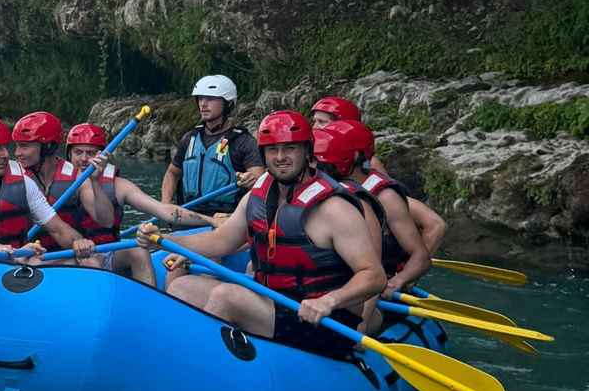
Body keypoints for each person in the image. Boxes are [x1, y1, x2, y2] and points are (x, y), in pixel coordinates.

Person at [138, 111, 386, 357]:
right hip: (274, 301)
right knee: (183, 287)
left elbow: (374, 276)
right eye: (272, 150)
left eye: (290, 148)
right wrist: (165, 241)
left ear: (307, 151)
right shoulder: (258, 195)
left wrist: (329, 301)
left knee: (227, 296)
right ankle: (180, 354)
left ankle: (201, 361)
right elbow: (222, 240)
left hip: (324, 320)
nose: (280, 157)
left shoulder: (334, 208)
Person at [56, 122, 221, 284]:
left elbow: (164, 211)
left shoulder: (119, 186)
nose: (84, 159)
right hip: (69, 256)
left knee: (138, 250)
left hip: (107, 252)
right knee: (90, 262)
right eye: (78, 152)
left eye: (91, 153)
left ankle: (149, 297)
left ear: (102, 156)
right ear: (69, 155)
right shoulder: (55, 185)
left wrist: (211, 220)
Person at [314, 119, 431, 298]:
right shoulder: (331, 190)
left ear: (354, 156)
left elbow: (421, 256)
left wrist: (397, 282)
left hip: (376, 284)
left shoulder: (385, 196)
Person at [0, 114, 96, 263]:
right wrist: (2, 249)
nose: (6, 154)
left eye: (5, 147)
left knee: (89, 262)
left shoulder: (23, 182)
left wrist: (79, 242)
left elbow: (57, 229)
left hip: (17, 262)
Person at [160, 75, 262, 215]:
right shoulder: (189, 139)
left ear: (228, 104)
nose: (203, 104)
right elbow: (172, 173)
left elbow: (260, 183)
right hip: (188, 215)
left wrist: (252, 180)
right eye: (201, 98)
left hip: (226, 218)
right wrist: (165, 204)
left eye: (210, 99)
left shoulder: (243, 142)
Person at [310, 95, 387, 174]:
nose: (314, 127)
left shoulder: (370, 163)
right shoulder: (313, 154)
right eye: (314, 121)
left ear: (343, 126)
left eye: (321, 122)